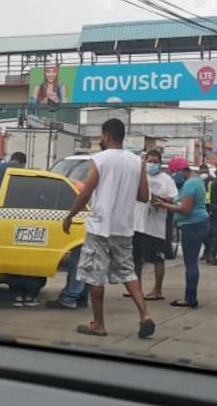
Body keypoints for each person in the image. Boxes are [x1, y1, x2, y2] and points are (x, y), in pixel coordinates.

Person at [60, 118, 155, 339]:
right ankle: (145, 315)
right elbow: (144, 196)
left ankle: (98, 324)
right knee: (128, 273)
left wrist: (69, 216)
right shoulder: (135, 162)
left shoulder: (100, 159)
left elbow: (85, 193)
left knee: (95, 276)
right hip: (124, 228)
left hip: (100, 226)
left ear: (106, 136)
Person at [157, 165, 210, 308]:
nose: (176, 175)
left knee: (191, 263)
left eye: (177, 172)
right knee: (191, 262)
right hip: (200, 223)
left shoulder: (189, 184)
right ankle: (190, 296)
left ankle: (190, 297)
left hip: (193, 225)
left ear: (185, 170)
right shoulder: (198, 181)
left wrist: (163, 206)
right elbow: (181, 201)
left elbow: (185, 209)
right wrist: (167, 200)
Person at [131, 148, 177, 302]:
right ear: (144, 162)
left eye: (155, 162)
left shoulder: (166, 179)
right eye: (149, 161)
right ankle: (136, 288)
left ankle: (157, 289)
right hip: (137, 224)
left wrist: (160, 201)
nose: (152, 164)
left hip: (155, 226)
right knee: (136, 258)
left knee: (157, 259)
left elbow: (173, 199)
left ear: (160, 163)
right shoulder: (138, 176)